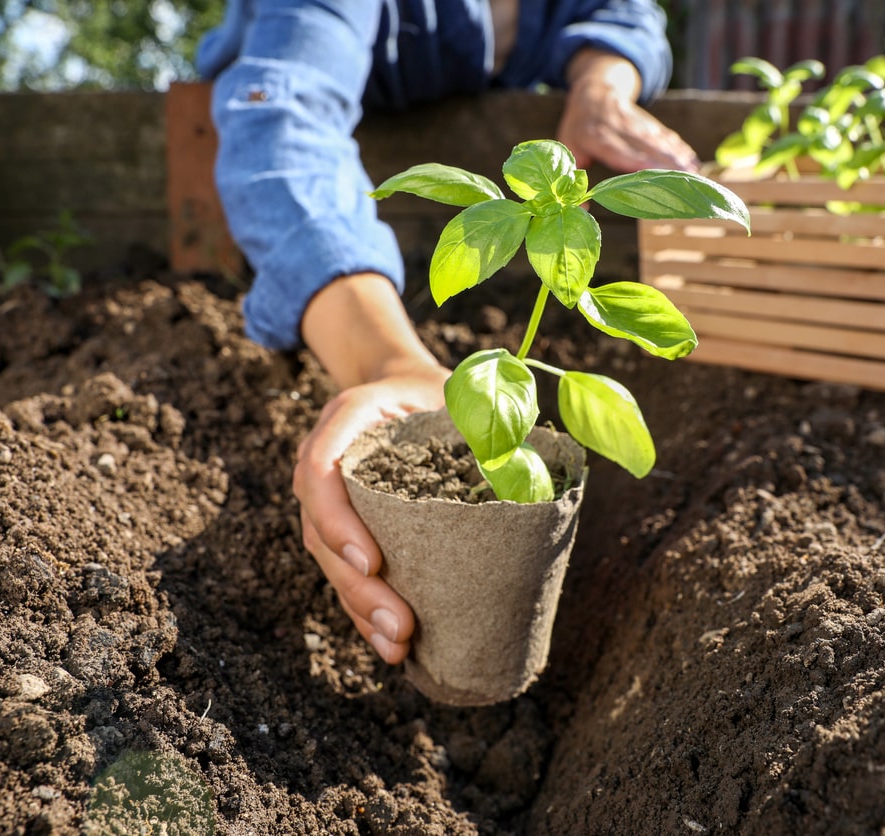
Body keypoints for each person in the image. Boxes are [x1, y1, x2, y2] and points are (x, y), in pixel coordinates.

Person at [196, 0, 701, 666]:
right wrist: (384, 361)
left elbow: (621, 13)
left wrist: (601, 82)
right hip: (326, 265)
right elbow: (281, 115)